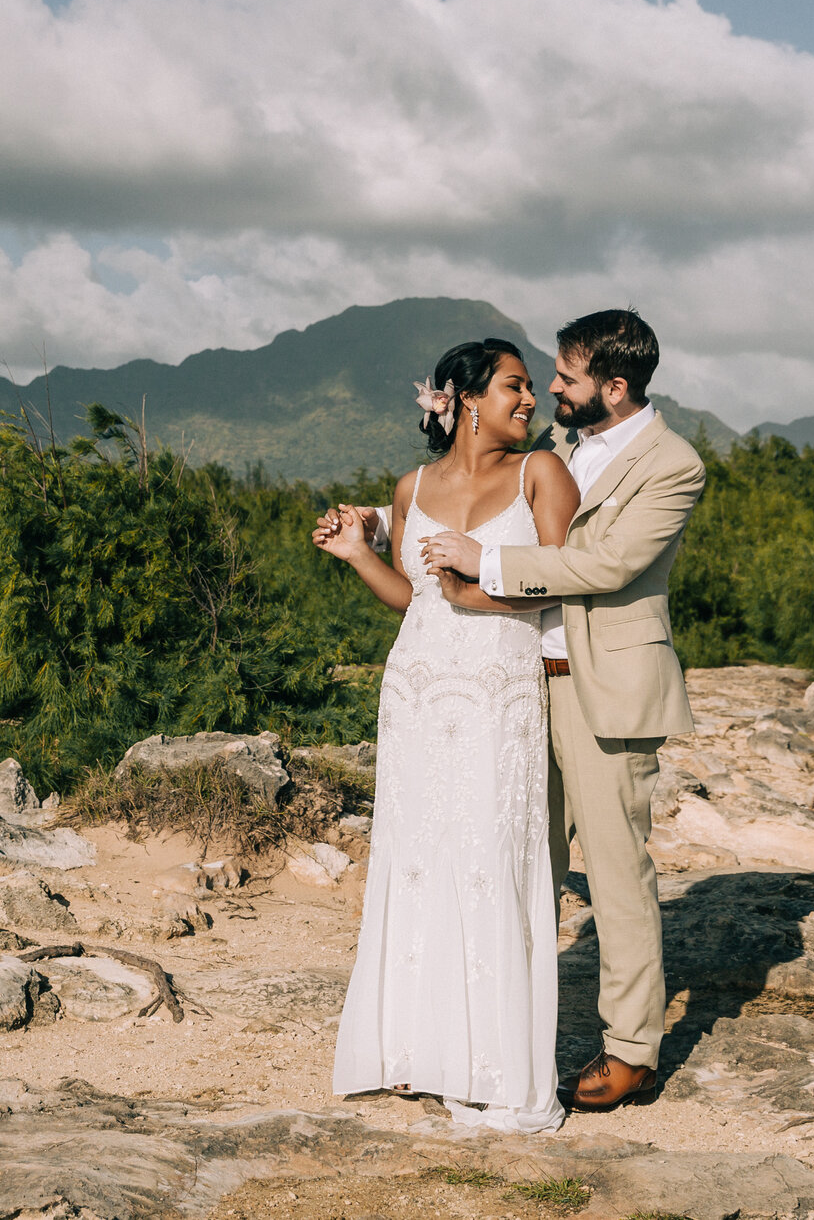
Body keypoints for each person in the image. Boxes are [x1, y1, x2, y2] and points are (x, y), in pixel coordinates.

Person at [417, 309, 705, 1111]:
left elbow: (609, 562)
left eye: (568, 377)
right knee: (520, 861)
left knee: (616, 872)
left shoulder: (673, 464)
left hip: (603, 686)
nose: (551, 387)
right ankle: (507, 1028)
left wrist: (489, 562)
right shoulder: (565, 451)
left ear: (615, 387)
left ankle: (631, 1048)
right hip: (516, 682)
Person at [312, 337, 580, 1132]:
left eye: (532, 387)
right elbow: (415, 596)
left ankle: (494, 1063)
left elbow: (563, 585)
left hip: (499, 689)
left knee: (491, 856)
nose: (530, 400)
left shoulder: (542, 473)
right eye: (514, 385)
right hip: (418, 689)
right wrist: (359, 554)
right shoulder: (411, 484)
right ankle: (413, 1048)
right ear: (463, 398)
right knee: (420, 854)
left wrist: (479, 583)